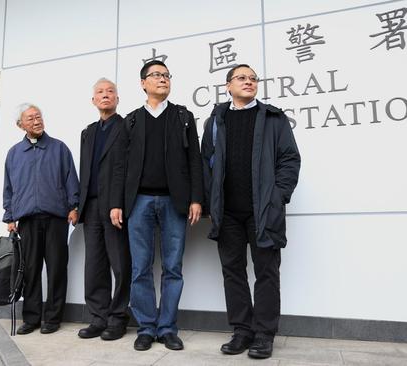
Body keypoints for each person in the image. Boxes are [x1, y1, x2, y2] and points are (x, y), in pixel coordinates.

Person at [201, 64, 301, 359]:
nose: (249, 82)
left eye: (253, 78)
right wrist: (210, 203)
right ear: (228, 86)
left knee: (266, 273)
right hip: (228, 213)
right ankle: (242, 331)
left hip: (262, 212)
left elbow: (289, 159)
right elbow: (206, 162)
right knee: (233, 272)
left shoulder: (272, 118)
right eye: (242, 78)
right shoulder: (216, 121)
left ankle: (264, 334)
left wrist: (278, 196)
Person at [110, 60, 203, 351]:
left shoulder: (183, 117)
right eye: (156, 75)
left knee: (173, 267)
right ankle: (147, 328)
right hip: (138, 203)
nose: (162, 79)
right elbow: (120, 166)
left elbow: (195, 161)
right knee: (140, 268)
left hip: (174, 202)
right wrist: (116, 203)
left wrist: (197, 198)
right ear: (143, 84)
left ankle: (168, 328)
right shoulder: (132, 120)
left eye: (166, 75)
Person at [3, 103, 79, 335]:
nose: (37, 121)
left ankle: (53, 318)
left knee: (56, 269)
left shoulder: (59, 148)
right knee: (30, 271)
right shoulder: (14, 154)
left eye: (38, 117)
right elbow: (9, 187)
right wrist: (9, 215)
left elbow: (71, 179)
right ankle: (32, 318)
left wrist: (74, 206)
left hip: (56, 217)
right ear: (20, 125)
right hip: (27, 220)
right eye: (30, 118)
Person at [76, 78, 132, 341]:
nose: (105, 95)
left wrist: (118, 203)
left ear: (118, 99)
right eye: (100, 92)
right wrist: (78, 205)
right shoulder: (87, 132)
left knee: (119, 263)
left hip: (115, 206)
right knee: (94, 264)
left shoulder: (127, 127)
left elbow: (128, 170)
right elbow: (84, 171)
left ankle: (118, 318)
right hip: (91, 206)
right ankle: (98, 318)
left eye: (111, 91)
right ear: (93, 100)